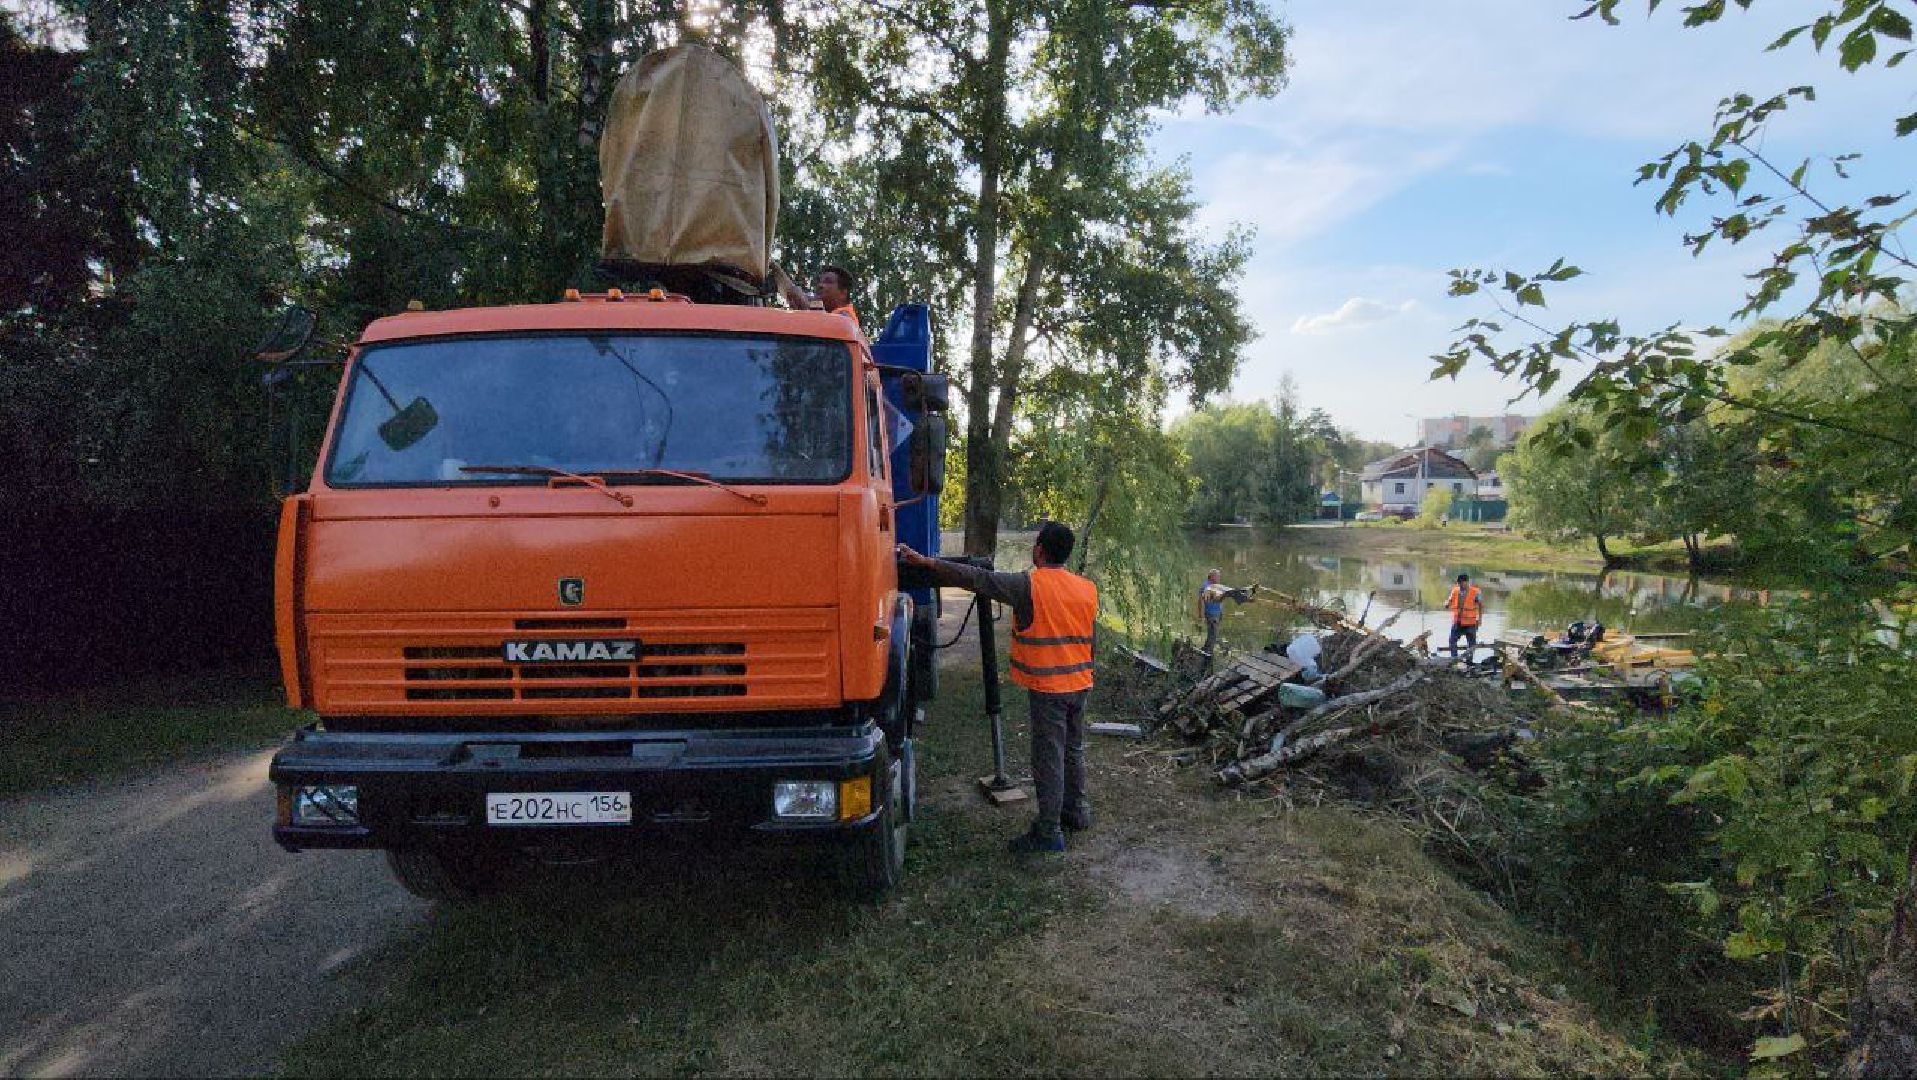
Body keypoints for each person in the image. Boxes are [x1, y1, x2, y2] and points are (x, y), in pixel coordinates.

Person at [896, 522, 1096, 855]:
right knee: (1072, 750)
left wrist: (928, 563)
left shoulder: (1028, 585)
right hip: (1080, 683)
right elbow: (1092, 641)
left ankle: (1049, 832)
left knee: (1050, 757)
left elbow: (976, 579)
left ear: (1040, 550)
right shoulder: (1086, 588)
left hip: (1050, 688)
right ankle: (1076, 812)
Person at [1446, 572, 1484, 658]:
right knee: (1452, 641)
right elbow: (1449, 601)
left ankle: (1469, 662)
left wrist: (1480, 619)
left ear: (1466, 582)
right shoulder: (1455, 590)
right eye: (1458, 583)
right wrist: (1446, 604)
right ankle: (1454, 660)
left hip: (1470, 623)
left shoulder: (1476, 592)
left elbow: (1481, 605)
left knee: (1471, 644)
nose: (1459, 584)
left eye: (1461, 582)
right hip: (1458, 622)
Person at [1198, 569, 1226, 662]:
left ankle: (1206, 651)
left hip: (1217, 613)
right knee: (1213, 635)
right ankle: (1208, 655)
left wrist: (1221, 612)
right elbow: (1200, 601)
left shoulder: (1216, 586)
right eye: (1218, 576)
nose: (1219, 578)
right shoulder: (1206, 586)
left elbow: (1220, 600)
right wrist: (1201, 615)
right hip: (1211, 614)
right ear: (1212, 576)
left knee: (1213, 635)